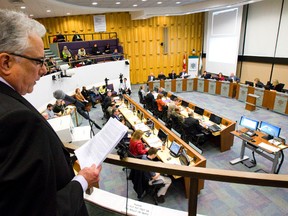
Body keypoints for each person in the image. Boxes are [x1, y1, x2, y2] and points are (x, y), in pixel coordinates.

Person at [0, 9, 102, 215]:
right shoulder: (17, 119)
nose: (44, 70)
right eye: (38, 61)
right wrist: (82, 181)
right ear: (6, 62)